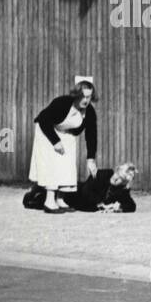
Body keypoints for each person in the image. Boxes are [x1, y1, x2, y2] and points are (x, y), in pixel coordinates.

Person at [29, 80, 99, 214]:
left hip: (65, 132)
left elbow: (91, 135)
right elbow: (44, 119)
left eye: (88, 97)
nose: (85, 100)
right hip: (46, 129)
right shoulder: (62, 103)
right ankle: (49, 201)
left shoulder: (90, 112)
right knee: (52, 161)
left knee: (68, 162)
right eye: (82, 96)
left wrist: (91, 159)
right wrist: (55, 141)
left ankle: (61, 199)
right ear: (76, 95)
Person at [64, 163, 139, 212]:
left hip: (83, 207)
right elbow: (86, 190)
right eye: (117, 174)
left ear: (124, 183)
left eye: (121, 179)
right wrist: (101, 204)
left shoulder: (121, 190)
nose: (116, 178)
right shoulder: (102, 174)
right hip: (72, 194)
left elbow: (132, 206)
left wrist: (119, 207)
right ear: (116, 171)